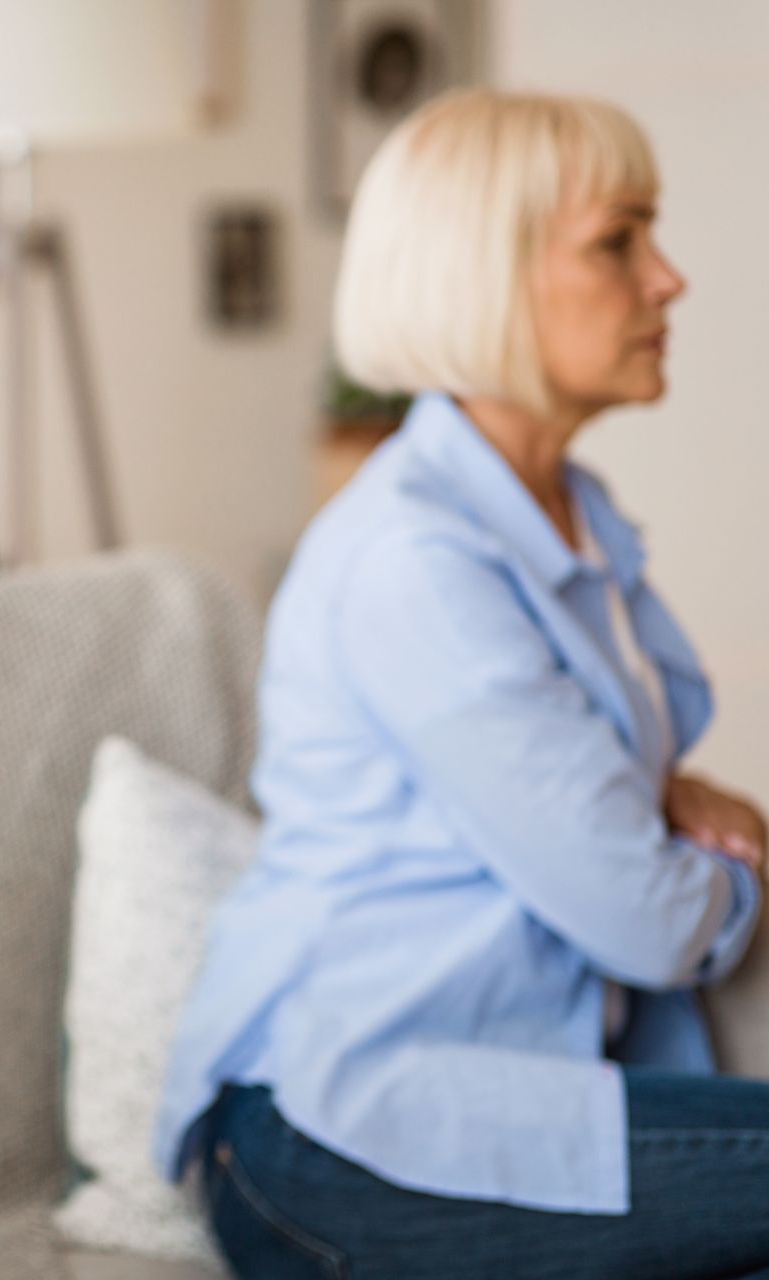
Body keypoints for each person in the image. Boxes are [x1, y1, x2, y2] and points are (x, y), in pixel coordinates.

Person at [153, 90, 769, 1279]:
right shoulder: (416, 559)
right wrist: (740, 866)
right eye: (618, 240)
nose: (669, 279)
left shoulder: (572, 519)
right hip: (342, 1131)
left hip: (512, 1097)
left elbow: (604, 799)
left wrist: (654, 799)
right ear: (484, 273)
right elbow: (641, 913)